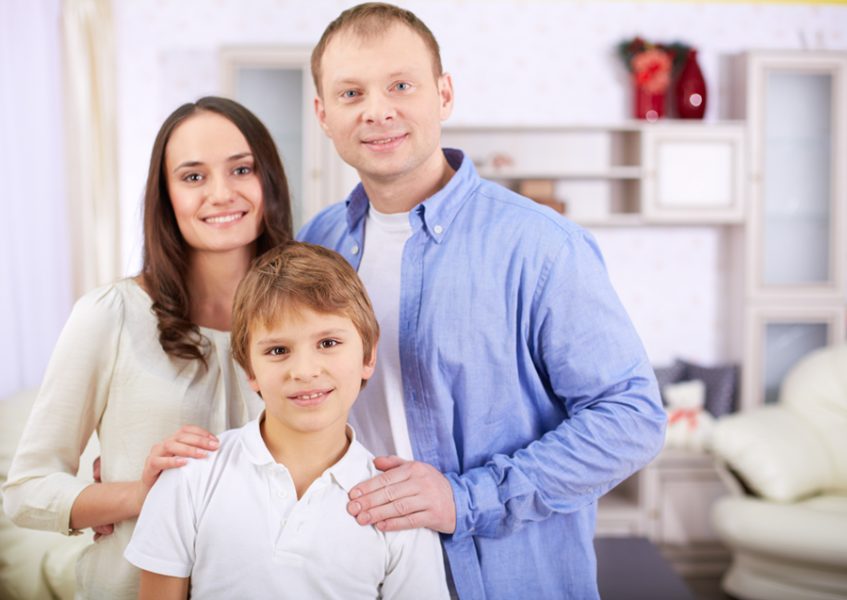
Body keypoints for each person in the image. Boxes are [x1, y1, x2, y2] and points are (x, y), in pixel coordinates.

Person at [298, 4, 667, 599]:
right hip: (359, 575)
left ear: (443, 94)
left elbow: (632, 418)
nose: (377, 110)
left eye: (400, 85)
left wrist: (464, 498)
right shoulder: (318, 244)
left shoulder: (540, 245)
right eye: (350, 93)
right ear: (323, 114)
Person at [2, 96, 293, 599]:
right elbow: (26, 491)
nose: (221, 193)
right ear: (166, 196)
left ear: (268, 179)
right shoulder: (109, 314)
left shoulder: (305, 321)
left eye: (241, 169)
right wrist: (138, 494)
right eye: (193, 177)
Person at [124, 241, 449, 599]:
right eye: (278, 351)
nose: (305, 371)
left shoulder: (397, 507)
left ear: (368, 356)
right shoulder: (190, 477)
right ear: (250, 370)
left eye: (328, 342)